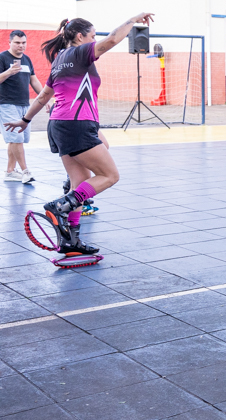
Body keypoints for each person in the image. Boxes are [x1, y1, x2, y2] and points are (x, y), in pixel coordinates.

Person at [5, 14, 154, 263]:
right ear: (79, 36)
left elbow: (43, 96)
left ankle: (70, 241)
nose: (94, 40)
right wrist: (132, 20)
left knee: (81, 183)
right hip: (76, 124)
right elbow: (112, 40)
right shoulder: (80, 53)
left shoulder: (59, 60)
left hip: (60, 125)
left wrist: (26, 120)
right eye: (92, 36)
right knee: (110, 176)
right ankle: (60, 206)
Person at [1, 30, 44, 184]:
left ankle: (10, 171)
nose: (21, 45)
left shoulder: (26, 59)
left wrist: (45, 99)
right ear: (10, 43)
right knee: (16, 138)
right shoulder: (2, 58)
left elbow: (34, 81)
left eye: (23, 42)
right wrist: (8, 72)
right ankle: (25, 171)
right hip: (6, 104)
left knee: (17, 139)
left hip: (24, 105)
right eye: (17, 42)